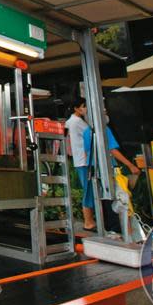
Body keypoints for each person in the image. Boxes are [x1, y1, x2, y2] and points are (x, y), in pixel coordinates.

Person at [82, 121, 142, 221]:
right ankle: (124, 230)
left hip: (92, 167)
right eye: (104, 111)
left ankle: (110, 228)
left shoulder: (86, 131)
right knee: (120, 199)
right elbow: (112, 150)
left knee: (102, 200)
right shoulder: (104, 128)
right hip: (108, 167)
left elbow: (85, 152)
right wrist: (130, 165)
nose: (106, 114)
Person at [64, 98, 94, 230]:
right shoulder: (78, 122)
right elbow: (91, 134)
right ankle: (88, 222)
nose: (85, 109)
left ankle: (90, 221)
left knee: (87, 189)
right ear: (76, 109)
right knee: (88, 190)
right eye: (83, 106)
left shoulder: (70, 122)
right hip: (84, 160)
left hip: (80, 159)